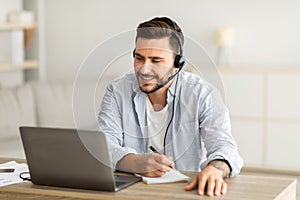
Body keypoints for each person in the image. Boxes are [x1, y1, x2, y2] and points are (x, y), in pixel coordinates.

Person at [98, 16, 243, 196]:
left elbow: (225, 147)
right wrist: (136, 162)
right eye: (139, 58)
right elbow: (104, 147)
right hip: (131, 193)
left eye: (156, 60)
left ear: (177, 63)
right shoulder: (116, 90)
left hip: (186, 192)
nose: (144, 69)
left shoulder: (202, 94)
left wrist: (215, 169)